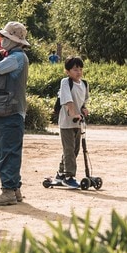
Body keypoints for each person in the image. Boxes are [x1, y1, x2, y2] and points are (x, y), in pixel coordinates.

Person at [0, 21, 31, 206]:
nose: (2, 40)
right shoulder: (11, 55)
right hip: (4, 111)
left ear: (14, 40)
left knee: (8, 153)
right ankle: (15, 188)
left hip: (10, 112)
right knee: (5, 152)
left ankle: (8, 191)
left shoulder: (17, 57)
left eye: (5, 37)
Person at [56, 57, 89, 186]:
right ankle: (69, 176)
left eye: (80, 69)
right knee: (69, 149)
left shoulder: (84, 84)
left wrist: (83, 109)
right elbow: (68, 100)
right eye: (75, 69)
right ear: (68, 71)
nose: (78, 72)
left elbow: (83, 101)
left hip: (78, 122)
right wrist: (73, 113)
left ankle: (60, 173)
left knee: (75, 149)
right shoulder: (65, 82)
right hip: (66, 122)